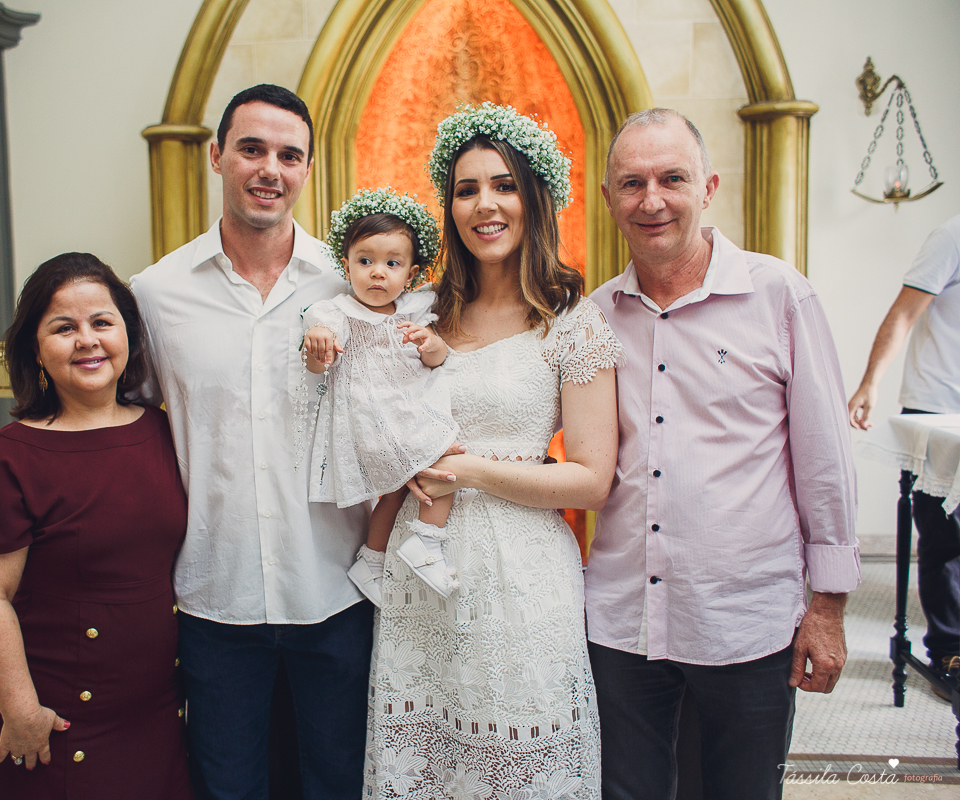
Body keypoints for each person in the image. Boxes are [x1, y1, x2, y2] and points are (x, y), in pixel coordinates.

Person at [587, 108, 861, 800]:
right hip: (622, 624)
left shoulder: (779, 295)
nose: (652, 200)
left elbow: (824, 460)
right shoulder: (593, 317)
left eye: (671, 179)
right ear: (608, 198)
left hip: (744, 621)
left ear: (708, 186)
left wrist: (826, 607)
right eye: (632, 183)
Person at [365, 102, 622, 798]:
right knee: (431, 758)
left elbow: (592, 479)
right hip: (423, 566)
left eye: (504, 185)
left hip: (524, 573)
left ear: (534, 198)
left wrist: (467, 470)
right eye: (467, 189)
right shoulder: (417, 312)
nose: (486, 204)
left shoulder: (572, 320)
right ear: (449, 208)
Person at [129, 85, 371, 799]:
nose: (270, 168)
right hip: (215, 596)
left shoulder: (349, 285)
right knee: (228, 786)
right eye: (253, 149)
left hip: (334, 590)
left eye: (289, 155)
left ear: (306, 171)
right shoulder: (156, 294)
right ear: (217, 157)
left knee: (335, 784)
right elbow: (125, 428)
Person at [0, 253, 193, 799]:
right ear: (36, 350)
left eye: (102, 323)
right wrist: (19, 709)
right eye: (64, 328)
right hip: (53, 714)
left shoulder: (164, 431)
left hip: (155, 709)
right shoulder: (8, 458)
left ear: (128, 334)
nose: (87, 340)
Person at [300, 187, 459, 603]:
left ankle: (372, 560)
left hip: (407, 411)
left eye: (392, 264)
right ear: (347, 264)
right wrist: (317, 343)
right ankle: (428, 539)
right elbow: (318, 364)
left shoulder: (415, 310)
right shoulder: (338, 313)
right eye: (365, 261)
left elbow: (439, 358)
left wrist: (430, 343)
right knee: (445, 460)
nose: (376, 273)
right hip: (371, 419)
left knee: (400, 487)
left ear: (410, 273)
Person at [848, 212, 960, 691]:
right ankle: (950, 653)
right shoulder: (951, 234)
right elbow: (904, 313)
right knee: (945, 539)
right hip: (938, 409)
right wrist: (871, 382)